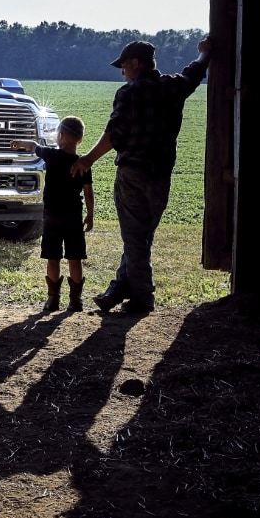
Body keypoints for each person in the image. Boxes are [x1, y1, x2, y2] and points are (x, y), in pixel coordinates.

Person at [71, 36, 212, 315]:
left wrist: (87, 159)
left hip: (132, 174)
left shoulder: (129, 93)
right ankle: (117, 290)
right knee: (141, 236)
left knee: (135, 239)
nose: (122, 73)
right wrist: (205, 54)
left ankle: (142, 298)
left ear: (135, 64)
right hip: (161, 176)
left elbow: (114, 134)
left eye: (123, 67)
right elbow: (193, 73)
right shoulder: (172, 87)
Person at [11, 115, 95, 312]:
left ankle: (52, 299)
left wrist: (18, 143)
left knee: (53, 256)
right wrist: (90, 215)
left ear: (60, 135)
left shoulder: (51, 155)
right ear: (80, 140)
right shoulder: (83, 164)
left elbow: (32, 145)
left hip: (52, 216)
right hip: (74, 216)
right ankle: (76, 301)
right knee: (75, 257)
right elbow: (88, 193)